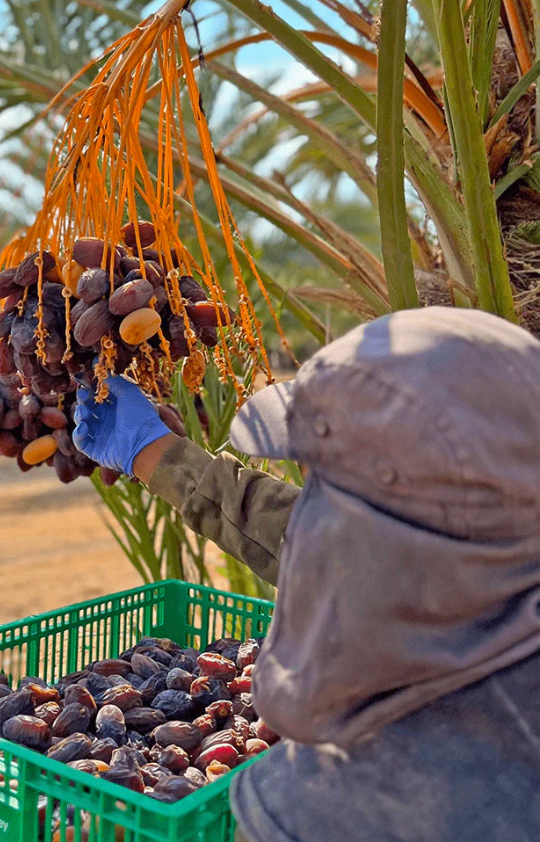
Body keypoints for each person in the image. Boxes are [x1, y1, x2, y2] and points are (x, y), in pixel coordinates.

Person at [73, 306, 540, 842]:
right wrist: (155, 453)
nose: (316, 506)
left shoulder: (358, 800)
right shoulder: (487, 560)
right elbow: (303, 533)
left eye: (332, 485)